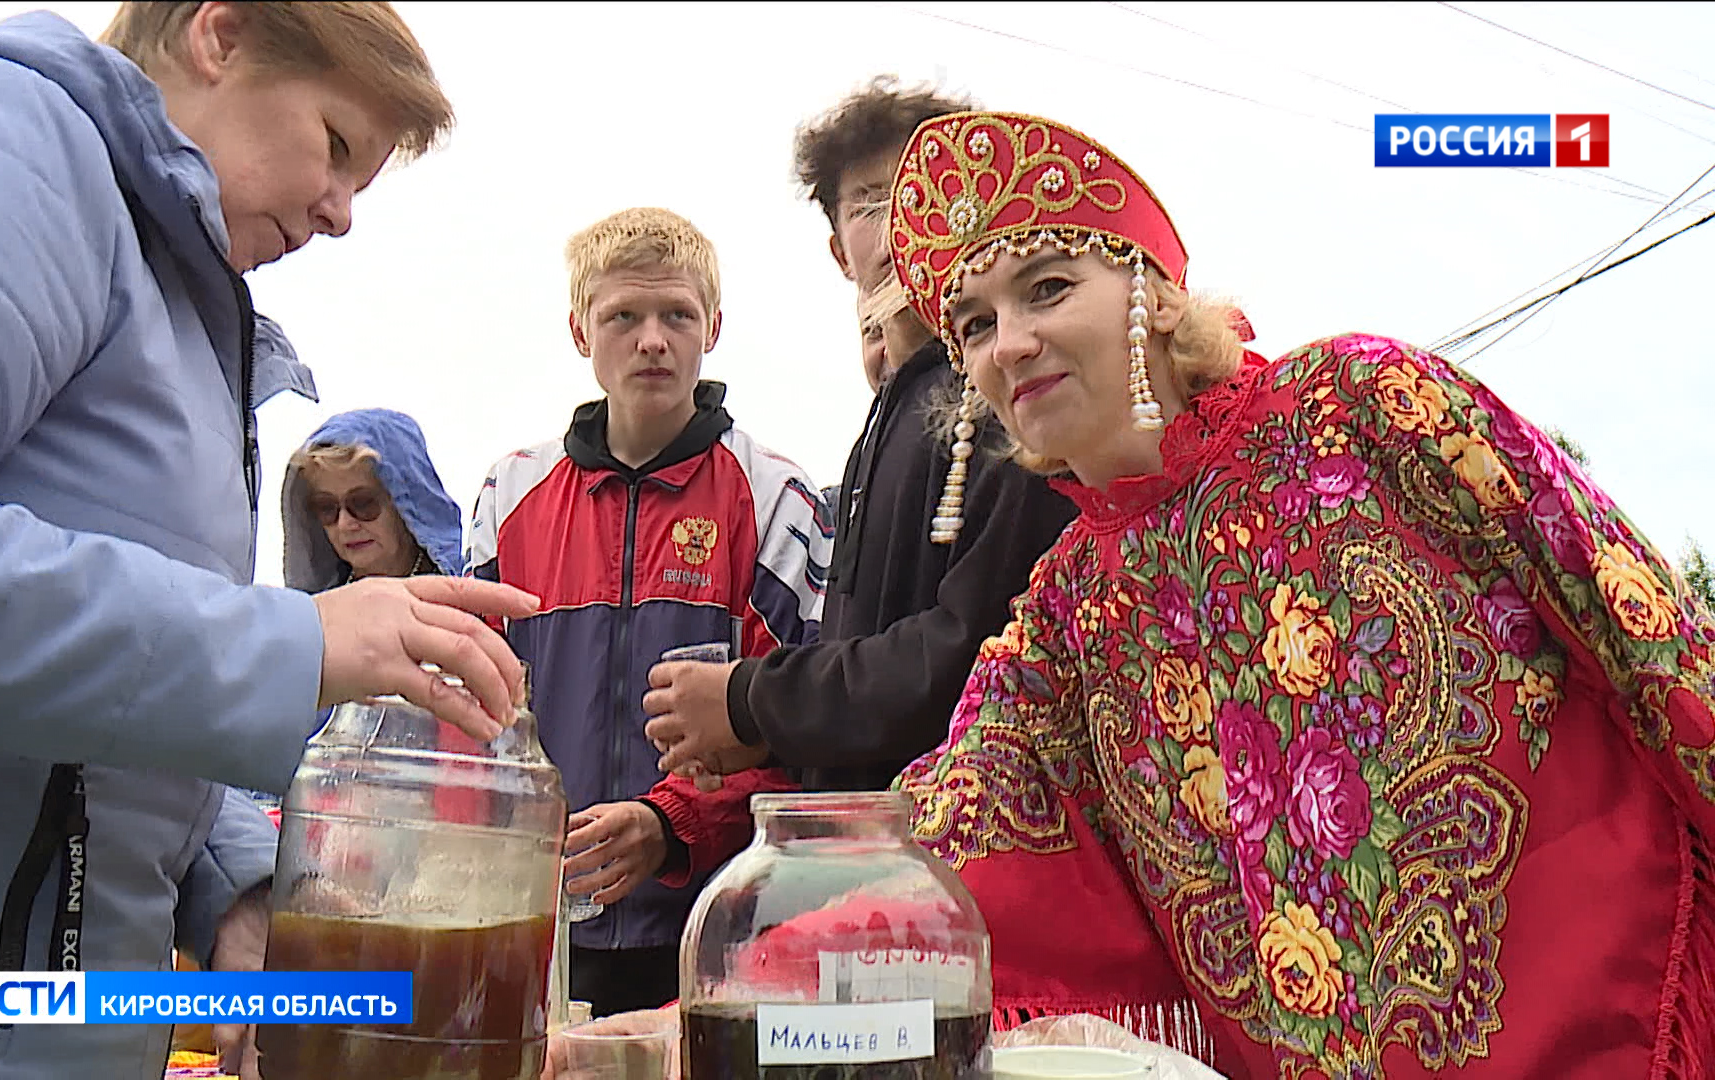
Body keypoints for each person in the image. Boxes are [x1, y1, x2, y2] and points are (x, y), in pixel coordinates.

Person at [884, 110, 1715, 1075]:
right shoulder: (1070, 610)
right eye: (976, 326)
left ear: (1149, 294)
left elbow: (1628, 611)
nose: (1012, 344)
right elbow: (944, 835)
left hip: (1598, 1006)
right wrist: (746, 965)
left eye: (1049, 289)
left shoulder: (1361, 401)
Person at [0, 6, 537, 1079]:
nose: (338, 217)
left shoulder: (177, 303)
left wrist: (224, 882)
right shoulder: (1, 141)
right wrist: (293, 648)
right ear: (219, 36)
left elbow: (84, 714)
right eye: (335, 146)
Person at [643, 79, 1075, 818]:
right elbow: (876, 654)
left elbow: (973, 656)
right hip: (877, 861)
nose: (905, 216)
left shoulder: (1006, 389)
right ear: (841, 250)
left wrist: (753, 701)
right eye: (873, 202)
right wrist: (765, 733)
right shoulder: (890, 414)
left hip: (977, 862)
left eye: (925, 186)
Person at [465, 207, 829, 1017]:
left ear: (715, 327)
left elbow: (806, 725)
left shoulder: (776, 497)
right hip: (538, 922)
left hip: (722, 923)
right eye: (622, 317)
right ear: (578, 331)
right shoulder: (508, 494)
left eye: (677, 316)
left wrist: (672, 826)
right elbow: (473, 716)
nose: (652, 340)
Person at [283, 407, 467, 587]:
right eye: (327, 508)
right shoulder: (315, 615)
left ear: (405, 506)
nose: (344, 524)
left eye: (362, 503)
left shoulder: (474, 602)